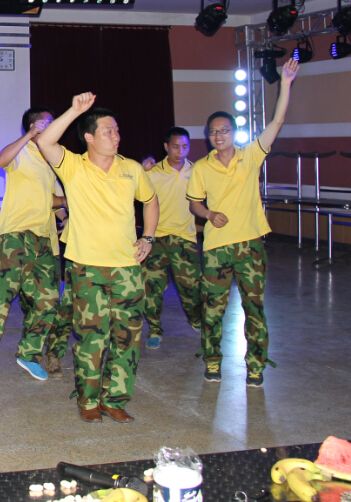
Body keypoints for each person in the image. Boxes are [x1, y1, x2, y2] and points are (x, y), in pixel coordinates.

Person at [38, 94, 158, 424]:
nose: (117, 136)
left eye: (117, 130)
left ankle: (115, 399)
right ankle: (89, 401)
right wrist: (75, 111)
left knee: (128, 337)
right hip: (87, 267)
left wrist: (148, 237)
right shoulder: (74, 166)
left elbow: (150, 200)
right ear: (89, 137)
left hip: (128, 267)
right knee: (93, 337)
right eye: (108, 131)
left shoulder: (131, 168)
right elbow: (45, 141)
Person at [188, 58, 299, 387]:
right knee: (212, 310)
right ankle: (212, 362)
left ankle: (255, 366)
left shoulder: (251, 155)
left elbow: (277, 122)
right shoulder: (201, 167)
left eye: (224, 130)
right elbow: (194, 203)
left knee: (254, 308)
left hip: (249, 245)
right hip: (216, 249)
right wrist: (209, 214)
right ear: (208, 136)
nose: (218, 135)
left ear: (234, 132)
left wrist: (285, 83)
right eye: (213, 131)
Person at [0, 109, 63, 383]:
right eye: (46, 123)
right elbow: (1, 160)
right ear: (33, 125)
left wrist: (65, 207)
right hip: (15, 236)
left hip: (44, 239)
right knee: (4, 296)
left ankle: (29, 354)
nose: (51, 127)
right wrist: (29, 135)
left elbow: (51, 199)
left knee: (48, 301)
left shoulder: (52, 160)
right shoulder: (22, 151)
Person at [142, 127, 202, 348]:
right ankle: (154, 329)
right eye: (176, 146)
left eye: (185, 146)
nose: (181, 151)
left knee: (191, 287)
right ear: (166, 147)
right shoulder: (153, 172)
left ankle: (196, 320)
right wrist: (142, 170)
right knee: (150, 287)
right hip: (156, 238)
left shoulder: (196, 172)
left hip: (184, 238)